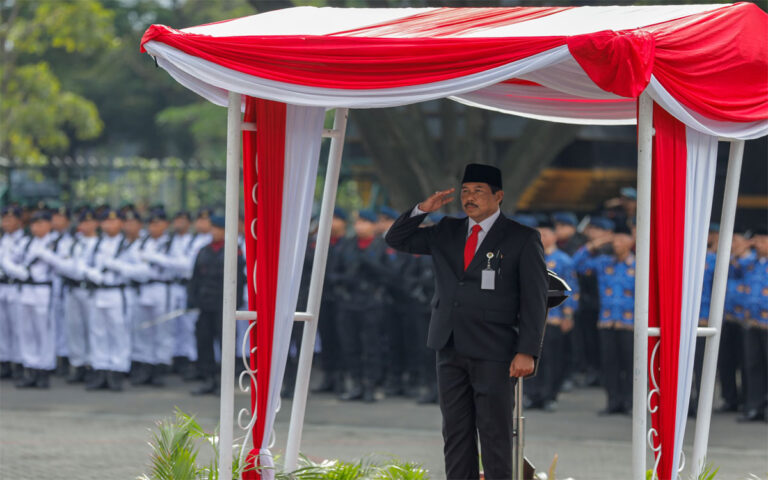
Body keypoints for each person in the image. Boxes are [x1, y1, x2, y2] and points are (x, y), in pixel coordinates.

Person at [385, 163, 548, 480]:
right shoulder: (447, 230)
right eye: (465, 191)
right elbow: (397, 239)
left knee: (494, 434)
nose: (469, 198)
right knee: (455, 432)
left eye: (478, 191)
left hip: (495, 349)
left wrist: (527, 350)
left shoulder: (522, 238)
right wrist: (422, 209)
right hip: (449, 345)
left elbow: (535, 298)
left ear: (498, 196)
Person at [573, 223, 635, 415]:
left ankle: (629, 402)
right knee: (609, 363)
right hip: (607, 320)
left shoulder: (639, 264)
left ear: (630, 242)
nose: (616, 244)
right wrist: (598, 243)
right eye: (614, 240)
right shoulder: (604, 262)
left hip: (629, 323)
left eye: (621, 240)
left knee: (630, 364)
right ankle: (613, 401)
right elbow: (576, 264)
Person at [336, 209, 393, 403]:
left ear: (373, 224)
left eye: (364, 222)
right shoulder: (347, 246)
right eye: (358, 221)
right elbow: (331, 272)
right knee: (350, 344)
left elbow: (390, 275)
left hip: (372, 302)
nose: (360, 225)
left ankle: (371, 385)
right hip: (349, 301)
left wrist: (369, 263)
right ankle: (357, 383)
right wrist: (345, 280)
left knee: (372, 345)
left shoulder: (382, 246)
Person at [187, 215, 246, 395]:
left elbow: (239, 280)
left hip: (224, 305)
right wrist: (193, 299)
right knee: (203, 341)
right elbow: (195, 277)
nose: (215, 232)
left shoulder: (234, 251)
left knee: (226, 342)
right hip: (206, 304)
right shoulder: (203, 251)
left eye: (218, 229)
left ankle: (225, 382)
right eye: (213, 228)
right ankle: (208, 378)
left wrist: (235, 302)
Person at [525, 218, 578, 412]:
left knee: (552, 359)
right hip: (531, 318)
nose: (541, 238)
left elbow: (572, 289)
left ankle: (549, 395)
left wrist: (568, 315)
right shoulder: (530, 256)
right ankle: (533, 395)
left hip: (553, 318)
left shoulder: (564, 260)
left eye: (544, 234)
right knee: (530, 356)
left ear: (554, 236)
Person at [312, 207, 348, 394]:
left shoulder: (347, 245)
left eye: (335, 219)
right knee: (326, 337)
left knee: (341, 338)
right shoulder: (320, 243)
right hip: (323, 297)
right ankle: (329, 376)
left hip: (341, 298)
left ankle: (341, 378)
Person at [718, 228, 754, 412]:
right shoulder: (729, 261)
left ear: (748, 242)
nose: (733, 246)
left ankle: (749, 400)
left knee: (748, 362)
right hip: (727, 317)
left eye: (737, 241)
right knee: (726, 361)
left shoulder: (753, 262)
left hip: (747, 320)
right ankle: (730, 398)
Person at [738, 226, 767, 422]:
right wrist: (744, 245)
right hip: (752, 322)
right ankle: (754, 406)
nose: (757, 244)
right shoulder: (751, 263)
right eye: (756, 240)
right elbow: (731, 261)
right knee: (753, 365)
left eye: (762, 240)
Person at [0, 206, 25, 380]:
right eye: (4, 219)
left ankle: (20, 363)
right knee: (3, 327)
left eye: (10, 219)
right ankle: (5, 361)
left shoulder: (25, 240)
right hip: (2, 286)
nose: (5, 223)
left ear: (19, 221)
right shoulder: (3, 239)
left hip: (18, 287)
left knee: (19, 327)